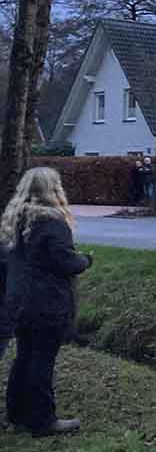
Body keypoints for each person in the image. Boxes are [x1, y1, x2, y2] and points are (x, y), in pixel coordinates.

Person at [0, 167, 92, 436]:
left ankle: (16, 414)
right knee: (42, 361)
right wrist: (86, 260)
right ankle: (43, 420)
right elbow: (66, 262)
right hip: (47, 303)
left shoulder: (14, 220)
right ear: (54, 190)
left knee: (24, 358)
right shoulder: (53, 223)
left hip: (19, 302)